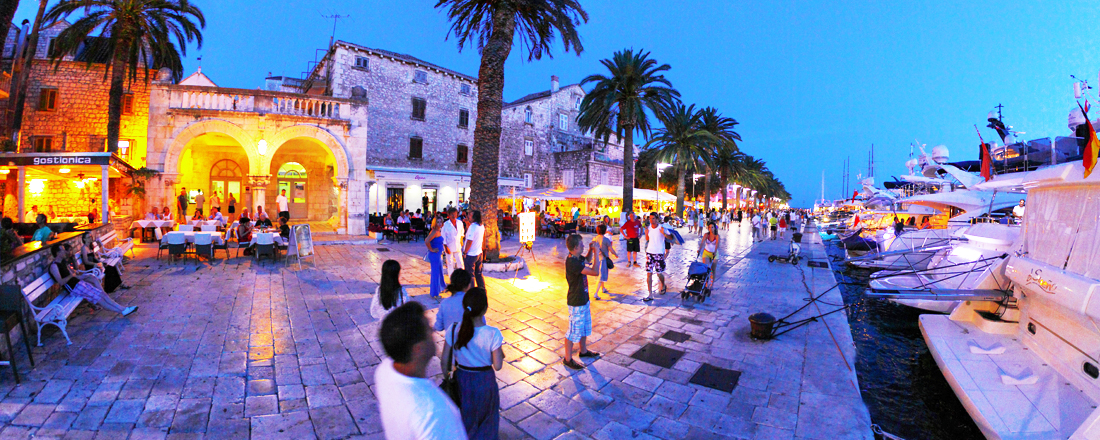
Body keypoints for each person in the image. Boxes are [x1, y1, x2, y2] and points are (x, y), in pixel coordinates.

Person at [375, 302, 467, 440]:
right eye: (428, 329)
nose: (433, 331)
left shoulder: (384, 370)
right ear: (419, 348)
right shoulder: (434, 413)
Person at [439, 288, 503, 438]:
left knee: (466, 416)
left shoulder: (454, 329)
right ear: (485, 309)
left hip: (462, 378)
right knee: (487, 418)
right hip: (485, 380)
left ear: (464, 306)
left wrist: (448, 377)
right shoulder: (493, 333)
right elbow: (498, 366)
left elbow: (444, 360)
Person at [49, 245, 137, 317]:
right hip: (74, 288)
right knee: (99, 299)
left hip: (79, 283)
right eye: (63, 250)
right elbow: (61, 282)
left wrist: (78, 274)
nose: (65, 252)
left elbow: (74, 274)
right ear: (57, 253)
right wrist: (71, 275)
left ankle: (123, 309)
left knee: (101, 294)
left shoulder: (63, 262)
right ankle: (123, 310)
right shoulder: (54, 266)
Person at [563, 234, 601, 370]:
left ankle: (583, 351)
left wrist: (591, 250)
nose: (583, 246)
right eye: (581, 245)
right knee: (573, 331)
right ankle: (567, 359)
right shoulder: (572, 262)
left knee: (584, 327)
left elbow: (587, 260)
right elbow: (595, 272)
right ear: (575, 248)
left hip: (583, 298)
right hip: (576, 301)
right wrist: (597, 253)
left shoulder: (577, 257)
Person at [644, 212, 675, 302]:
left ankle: (663, 284)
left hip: (659, 253)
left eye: (653, 218)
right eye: (650, 218)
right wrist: (646, 233)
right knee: (649, 273)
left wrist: (664, 233)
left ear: (657, 219)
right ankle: (650, 294)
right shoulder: (649, 228)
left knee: (659, 273)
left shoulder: (662, 228)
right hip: (649, 252)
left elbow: (670, 237)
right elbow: (647, 239)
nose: (651, 220)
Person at [587, 224, 617, 300]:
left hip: (596, 259)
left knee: (601, 274)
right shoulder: (606, 240)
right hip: (603, 260)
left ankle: (603, 288)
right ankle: (595, 293)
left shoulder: (594, 239)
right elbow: (610, 249)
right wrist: (615, 254)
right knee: (600, 277)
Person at [463, 210, 485, 289]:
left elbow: (469, 241)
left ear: (474, 217)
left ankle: (471, 292)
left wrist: (465, 252)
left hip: (471, 254)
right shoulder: (481, 226)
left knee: (470, 275)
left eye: (470, 215)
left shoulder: (473, 227)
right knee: (478, 274)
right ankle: (482, 290)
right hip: (478, 253)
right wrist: (467, 223)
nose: (468, 216)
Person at [441, 208, 465, 280]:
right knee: (450, 263)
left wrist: (461, 240)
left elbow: (462, 232)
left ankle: (462, 278)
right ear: (448, 215)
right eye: (452, 214)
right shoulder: (445, 224)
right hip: (449, 246)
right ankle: (451, 279)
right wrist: (446, 247)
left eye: (455, 214)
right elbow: (443, 236)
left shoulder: (460, 223)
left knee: (460, 262)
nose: (453, 216)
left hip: (458, 246)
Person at [426, 218, 446, 300]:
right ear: (435, 223)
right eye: (438, 222)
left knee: (440, 272)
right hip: (435, 255)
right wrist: (431, 249)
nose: (440, 223)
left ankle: (441, 288)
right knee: (435, 274)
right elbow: (427, 241)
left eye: (441, 221)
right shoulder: (434, 231)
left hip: (438, 255)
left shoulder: (438, 231)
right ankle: (434, 293)